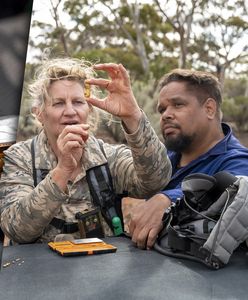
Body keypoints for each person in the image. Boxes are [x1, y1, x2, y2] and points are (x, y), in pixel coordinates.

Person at [0, 58, 171, 244]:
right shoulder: (20, 157)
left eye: (78, 102)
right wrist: (62, 170)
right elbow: (17, 229)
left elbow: (155, 181)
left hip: (101, 268)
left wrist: (133, 116)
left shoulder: (107, 156)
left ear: (89, 109)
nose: (70, 111)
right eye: (58, 103)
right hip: (40, 271)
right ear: (39, 113)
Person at [128, 68, 248, 250]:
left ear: (209, 109)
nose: (165, 115)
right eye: (162, 110)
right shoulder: (164, 159)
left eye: (177, 105)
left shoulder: (236, 161)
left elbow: (235, 190)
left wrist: (168, 199)